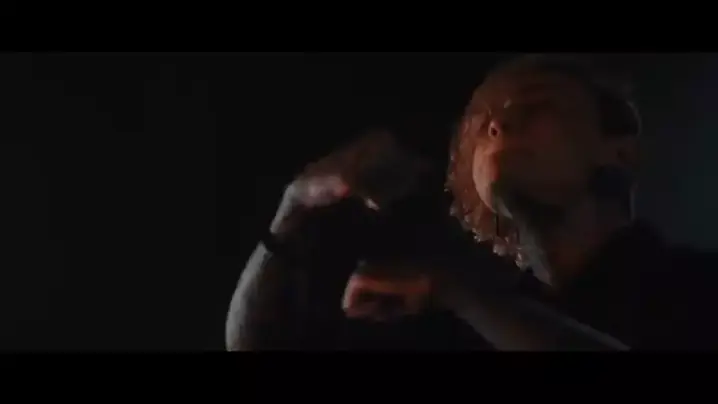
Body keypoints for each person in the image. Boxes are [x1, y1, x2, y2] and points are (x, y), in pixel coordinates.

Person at [226, 54, 718, 351]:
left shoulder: (696, 288)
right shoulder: (455, 321)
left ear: (620, 151)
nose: (498, 125)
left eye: (535, 103)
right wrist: (297, 206)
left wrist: (462, 295)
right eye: (484, 125)